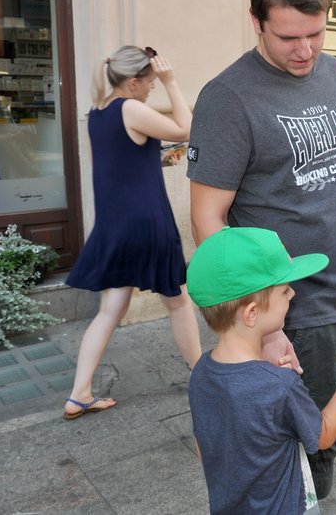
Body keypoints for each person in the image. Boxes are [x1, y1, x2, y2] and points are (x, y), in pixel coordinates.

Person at [186, 0, 336, 499]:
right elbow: (208, 220)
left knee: (324, 453)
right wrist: (264, 327)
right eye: (287, 37)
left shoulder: (334, 72)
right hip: (286, 315)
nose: (305, 50)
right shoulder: (227, 97)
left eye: (316, 33)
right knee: (297, 469)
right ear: (255, 20)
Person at [186, 226, 336, 515]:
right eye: (284, 289)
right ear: (252, 313)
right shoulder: (279, 386)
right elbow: (324, 434)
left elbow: (203, 449)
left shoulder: (201, 373)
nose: (293, 293)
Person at [63, 46, 201, 419]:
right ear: (134, 82)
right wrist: (174, 84)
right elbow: (185, 128)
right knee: (176, 301)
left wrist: (154, 158)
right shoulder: (131, 107)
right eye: (152, 83)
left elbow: (111, 164)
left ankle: (79, 393)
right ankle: (201, 374)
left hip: (115, 223)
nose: (153, 88)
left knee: (110, 309)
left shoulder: (98, 113)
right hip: (147, 221)